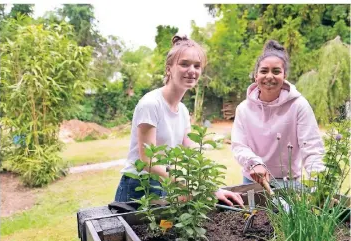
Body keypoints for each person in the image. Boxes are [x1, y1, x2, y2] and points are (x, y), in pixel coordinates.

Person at [115, 35, 244, 207]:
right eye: (184, 64)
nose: (192, 70)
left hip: (166, 184)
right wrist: (186, 185)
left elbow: (191, 156)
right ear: (169, 69)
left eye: (197, 66)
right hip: (138, 187)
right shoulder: (151, 104)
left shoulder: (182, 111)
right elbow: (147, 161)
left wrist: (213, 188)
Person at [231, 40, 325, 187]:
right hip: (253, 181)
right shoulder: (243, 109)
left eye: (276, 71)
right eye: (263, 71)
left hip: (289, 183)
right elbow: (239, 145)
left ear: (284, 75)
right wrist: (254, 163)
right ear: (256, 76)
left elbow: (311, 146)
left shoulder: (299, 105)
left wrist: (320, 181)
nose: (269, 76)